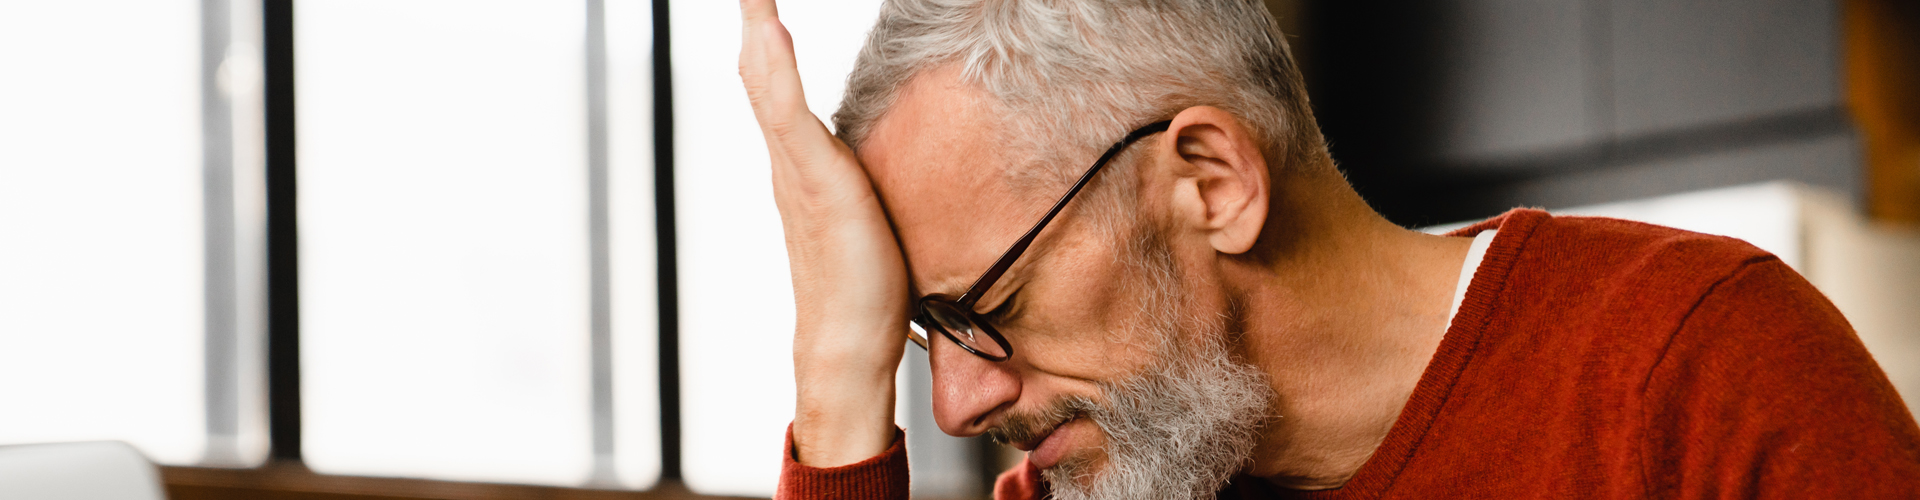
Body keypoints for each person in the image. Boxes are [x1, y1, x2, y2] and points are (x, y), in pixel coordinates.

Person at [737, 0, 1920, 498]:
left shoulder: (1695, 369)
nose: (955, 403)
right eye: (923, 331)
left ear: (1212, 182)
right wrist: (836, 380)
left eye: (989, 308)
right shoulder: (1098, 480)